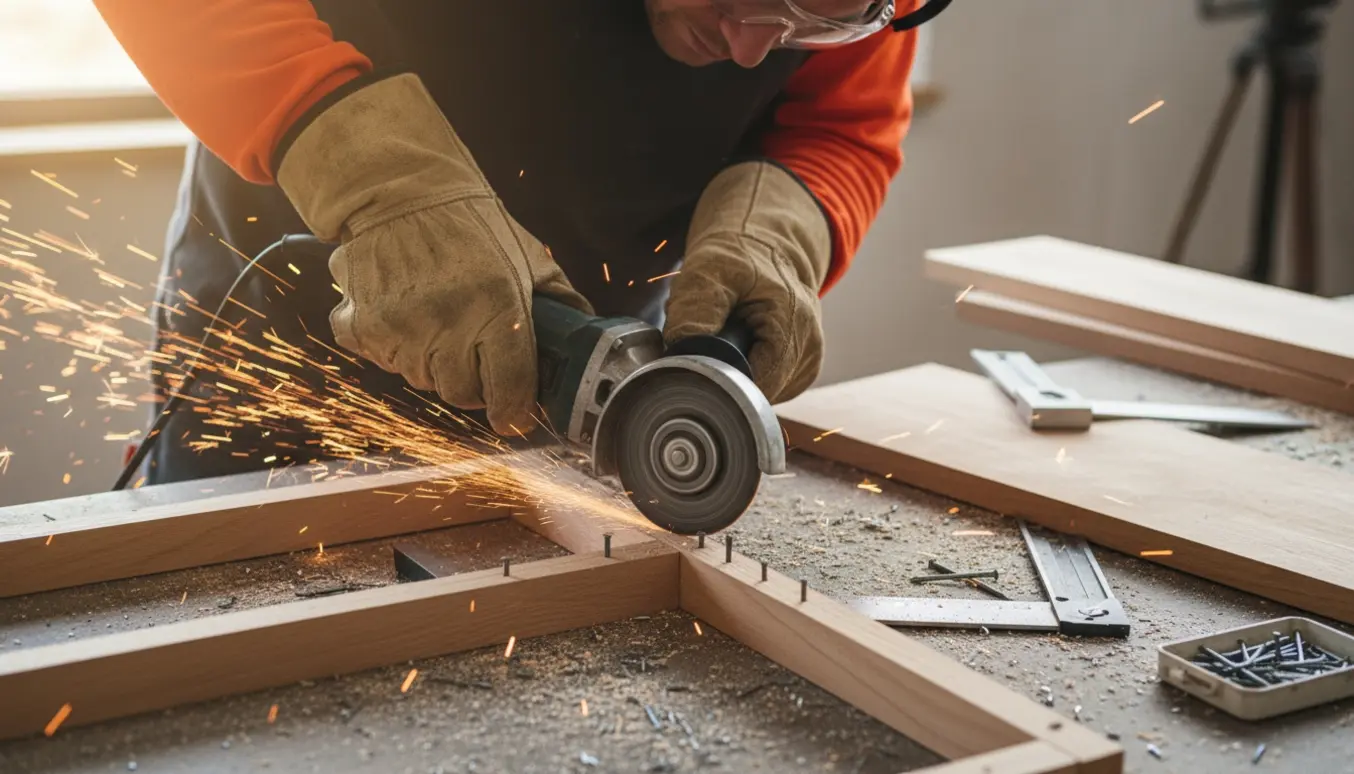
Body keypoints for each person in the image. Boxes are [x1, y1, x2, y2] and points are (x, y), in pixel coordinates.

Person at [93, 0, 943, 485]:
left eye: (818, 16)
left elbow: (839, 124)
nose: (750, 45)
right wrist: (372, 175)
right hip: (286, 328)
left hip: (581, 363)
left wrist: (778, 231)